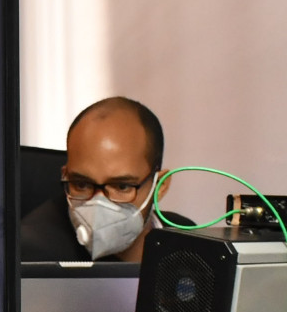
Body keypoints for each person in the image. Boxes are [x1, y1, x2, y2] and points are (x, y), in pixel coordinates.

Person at [20, 96, 179, 263]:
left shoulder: (184, 242)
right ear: (65, 175)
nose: (98, 206)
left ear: (160, 186)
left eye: (121, 186)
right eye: (82, 184)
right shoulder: (35, 256)